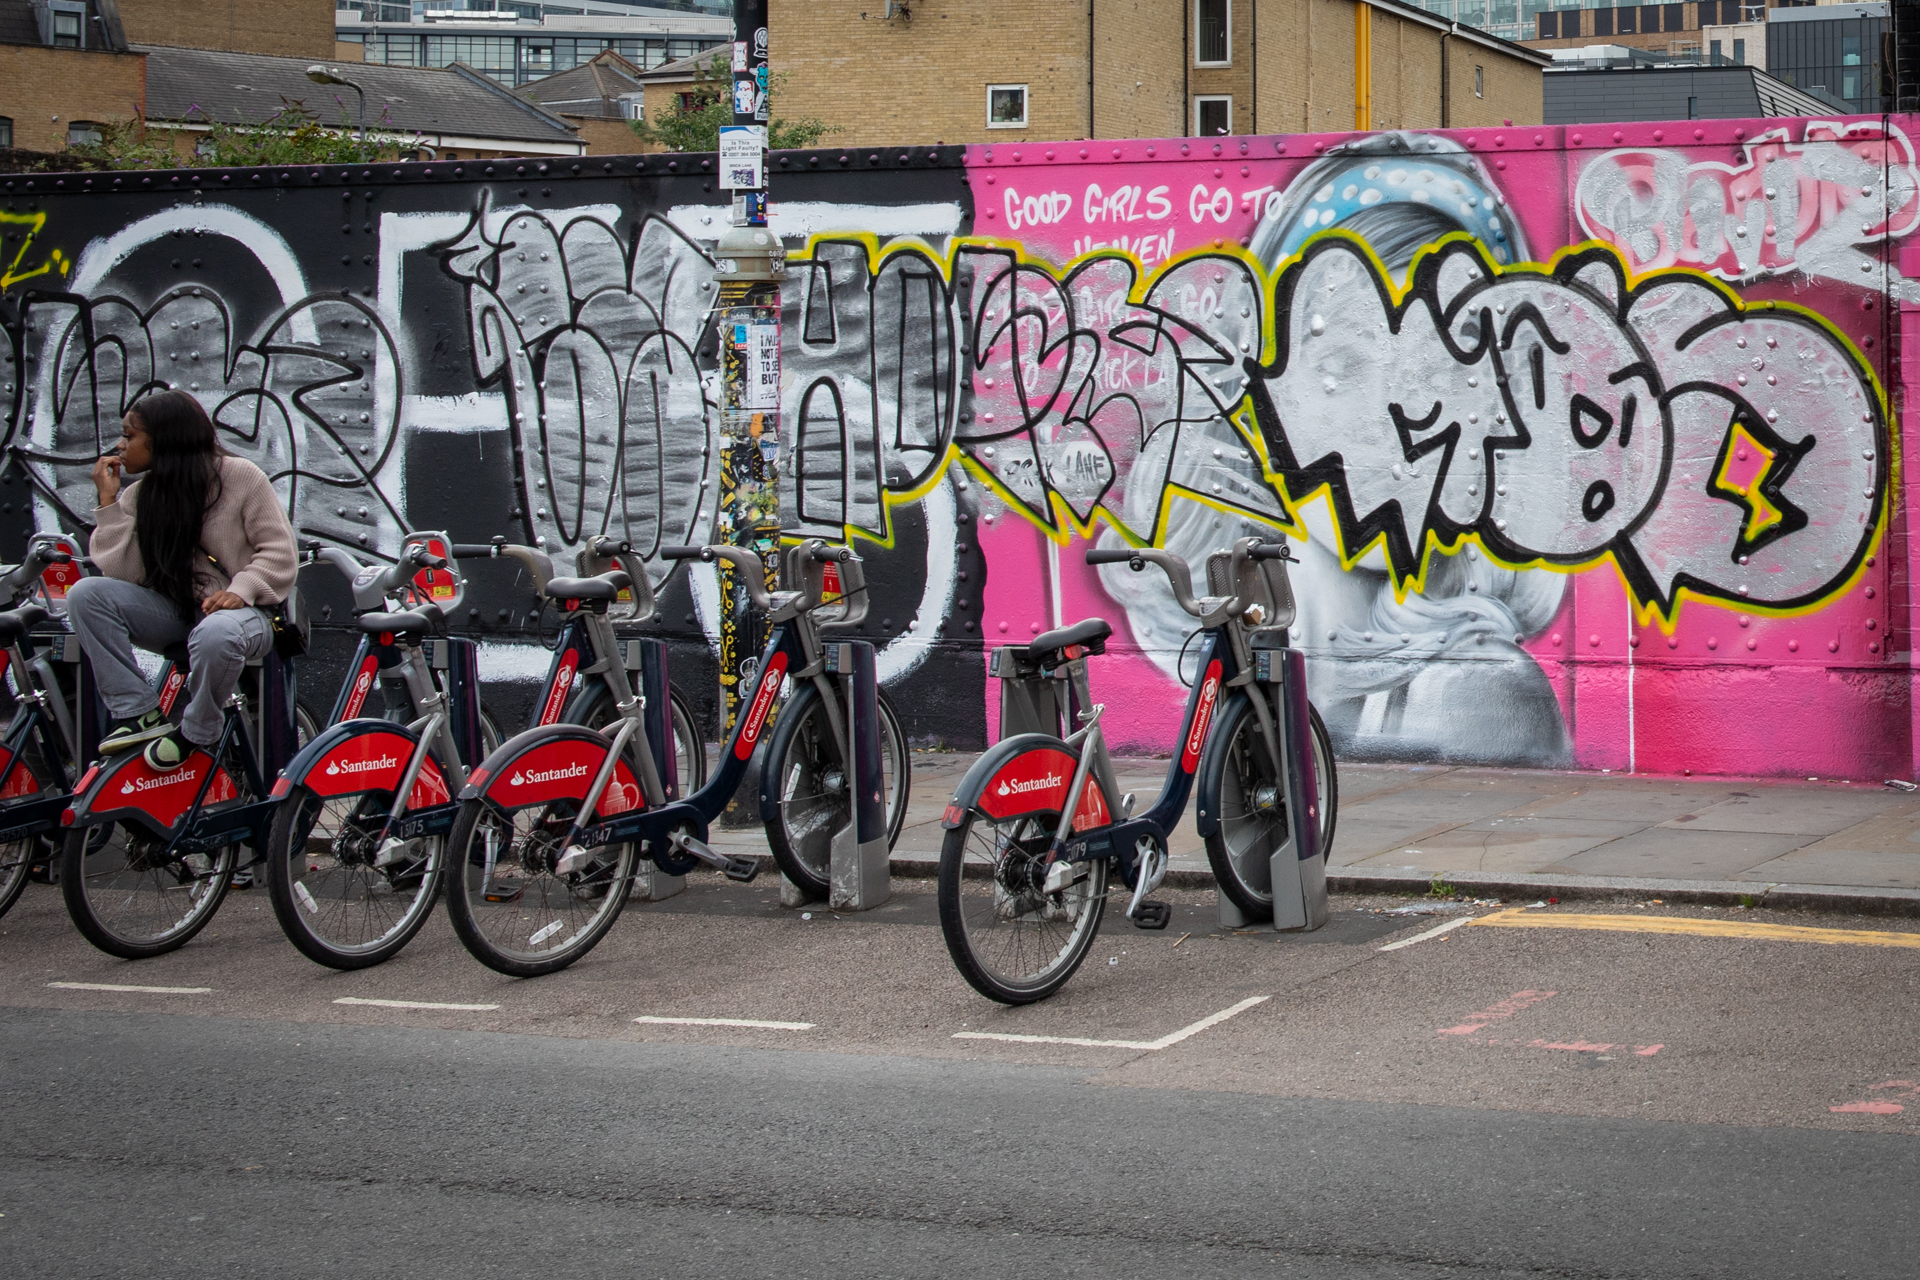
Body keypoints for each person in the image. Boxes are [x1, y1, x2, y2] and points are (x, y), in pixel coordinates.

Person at [66, 389, 297, 771]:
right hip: (181, 612)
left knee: (217, 632)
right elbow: (126, 573)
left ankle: (197, 729)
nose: (120, 446)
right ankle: (140, 714)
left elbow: (279, 552)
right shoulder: (142, 495)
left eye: (130, 436)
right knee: (87, 595)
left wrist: (240, 590)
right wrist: (108, 505)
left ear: (164, 440)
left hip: (252, 614)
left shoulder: (241, 476)